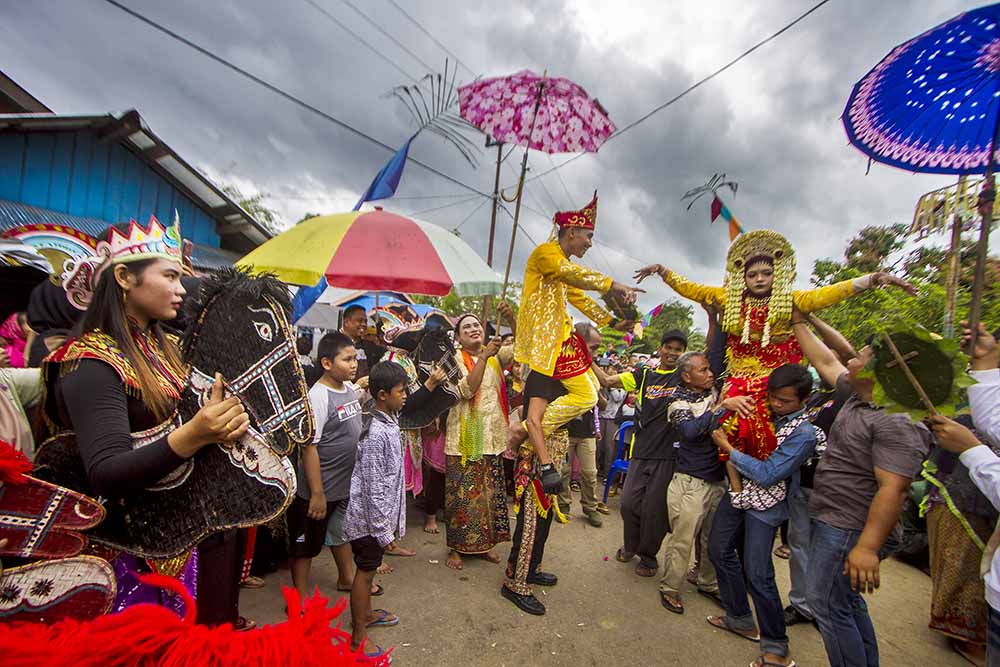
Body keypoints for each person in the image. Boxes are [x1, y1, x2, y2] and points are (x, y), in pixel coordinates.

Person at [39, 215, 250, 618]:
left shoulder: (166, 350)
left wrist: (223, 425)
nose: (180, 288)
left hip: (176, 541)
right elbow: (107, 470)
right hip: (121, 557)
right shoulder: (90, 361)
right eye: (170, 276)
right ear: (123, 277)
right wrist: (196, 433)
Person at [635, 229, 914, 464]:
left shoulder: (791, 300)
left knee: (769, 436)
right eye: (752, 273)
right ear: (742, 276)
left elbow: (830, 293)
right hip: (737, 380)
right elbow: (692, 289)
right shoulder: (728, 298)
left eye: (765, 273)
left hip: (775, 383)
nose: (758, 279)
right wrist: (663, 271)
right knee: (724, 426)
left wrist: (872, 279)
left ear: (776, 274)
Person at [792, 316, 932, 667]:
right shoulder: (857, 395)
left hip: (850, 528)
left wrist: (867, 548)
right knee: (845, 602)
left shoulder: (897, 419)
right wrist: (798, 320)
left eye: (861, 356)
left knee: (825, 602)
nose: (851, 360)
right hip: (837, 521)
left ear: (881, 372)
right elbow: (825, 359)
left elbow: (894, 487)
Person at [707, 363, 821, 667]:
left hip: (768, 506)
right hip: (737, 493)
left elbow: (769, 473)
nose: (777, 405)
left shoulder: (804, 434)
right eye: (773, 398)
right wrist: (725, 410)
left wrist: (729, 451)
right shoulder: (757, 409)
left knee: (758, 574)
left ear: (804, 400)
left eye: (786, 401)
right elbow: (722, 428)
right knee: (718, 550)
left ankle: (777, 646)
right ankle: (740, 618)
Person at [510, 192, 638, 457]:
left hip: (561, 344)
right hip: (544, 350)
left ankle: (528, 428)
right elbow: (569, 273)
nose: (590, 244)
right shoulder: (546, 254)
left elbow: (578, 296)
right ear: (572, 232)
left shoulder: (562, 263)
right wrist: (611, 284)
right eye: (589, 236)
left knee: (589, 395)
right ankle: (529, 431)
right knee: (586, 395)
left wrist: (613, 322)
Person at [593, 329, 694, 577]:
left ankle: (648, 557)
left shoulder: (683, 377)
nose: (672, 353)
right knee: (628, 504)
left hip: (668, 455)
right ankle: (630, 546)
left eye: (677, 349)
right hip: (640, 451)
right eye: (668, 347)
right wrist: (588, 358)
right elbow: (607, 382)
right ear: (660, 349)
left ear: (683, 354)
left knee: (654, 510)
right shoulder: (644, 374)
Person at [287, 332, 365, 602]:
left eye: (355, 358)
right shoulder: (318, 396)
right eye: (347, 359)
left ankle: (347, 578)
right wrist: (317, 493)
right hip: (320, 488)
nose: (354, 364)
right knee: (306, 545)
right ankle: (298, 598)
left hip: (343, 485)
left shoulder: (348, 389)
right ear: (327, 363)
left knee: (339, 532)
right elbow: (309, 446)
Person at [342, 361, 409, 661]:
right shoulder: (375, 434)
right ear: (383, 395)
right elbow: (372, 486)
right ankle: (358, 635)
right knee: (365, 574)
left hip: (377, 518)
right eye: (401, 391)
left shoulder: (388, 419)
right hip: (368, 521)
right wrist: (383, 530)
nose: (405, 395)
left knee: (368, 571)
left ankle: (367, 614)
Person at [929, 411, 1000, 666]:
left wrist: (973, 449)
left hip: (985, 504)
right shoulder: (982, 411)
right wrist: (972, 449)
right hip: (964, 502)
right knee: (963, 568)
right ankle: (964, 637)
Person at [658, 352, 727, 615]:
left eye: (710, 370)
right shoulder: (677, 401)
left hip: (717, 481)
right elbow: (689, 431)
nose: (710, 375)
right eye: (704, 370)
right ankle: (670, 588)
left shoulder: (715, 392)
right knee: (683, 540)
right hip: (690, 483)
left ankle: (707, 582)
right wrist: (721, 408)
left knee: (711, 539)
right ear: (687, 376)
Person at [444, 310, 512, 570]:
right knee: (464, 494)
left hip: (492, 433)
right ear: (458, 338)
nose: (474, 329)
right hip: (469, 431)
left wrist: (512, 319)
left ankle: (485, 546)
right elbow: (466, 390)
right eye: (466, 327)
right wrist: (483, 356)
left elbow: (523, 349)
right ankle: (457, 548)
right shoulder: (454, 359)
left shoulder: (496, 357)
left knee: (488, 493)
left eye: (476, 325)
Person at [501, 369, 570, 616]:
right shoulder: (543, 375)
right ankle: (515, 584)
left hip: (551, 459)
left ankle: (532, 570)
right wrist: (547, 465)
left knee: (544, 520)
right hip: (537, 462)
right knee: (530, 523)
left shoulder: (569, 377)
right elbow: (532, 421)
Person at [556, 323, 606, 526]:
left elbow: (602, 403)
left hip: (587, 432)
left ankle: (590, 507)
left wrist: (594, 395)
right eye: (592, 347)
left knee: (590, 473)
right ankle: (563, 505)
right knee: (564, 471)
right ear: (579, 343)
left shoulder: (592, 371)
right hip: (565, 430)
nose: (595, 353)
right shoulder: (563, 366)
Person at [340, 303, 386, 381]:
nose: (364, 324)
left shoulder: (370, 346)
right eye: (360, 321)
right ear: (346, 322)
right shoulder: (334, 343)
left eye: (365, 321)